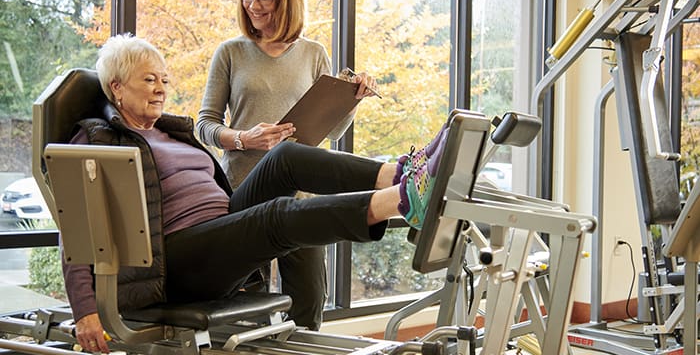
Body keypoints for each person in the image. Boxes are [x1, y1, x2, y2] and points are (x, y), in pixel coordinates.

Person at [63, 34, 447, 353]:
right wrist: (85, 310)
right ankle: (400, 200)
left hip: (220, 229)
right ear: (116, 86)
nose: (161, 88)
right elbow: (77, 230)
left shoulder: (169, 131)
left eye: (164, 79)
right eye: (149, 80)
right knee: (277, 215)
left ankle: (398, 173)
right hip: (174, 260)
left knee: (286, 155)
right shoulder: (99, 141)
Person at [196, 0, 378, 330]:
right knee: (247, 313)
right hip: (244, 193)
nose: (252, 5)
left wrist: (353, 100)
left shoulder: (313, 54)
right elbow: (204, 125)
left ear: (287, 0)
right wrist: (243, 138)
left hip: (302, 198)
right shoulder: (230, 52)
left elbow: (334, 132)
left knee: (309, 302)